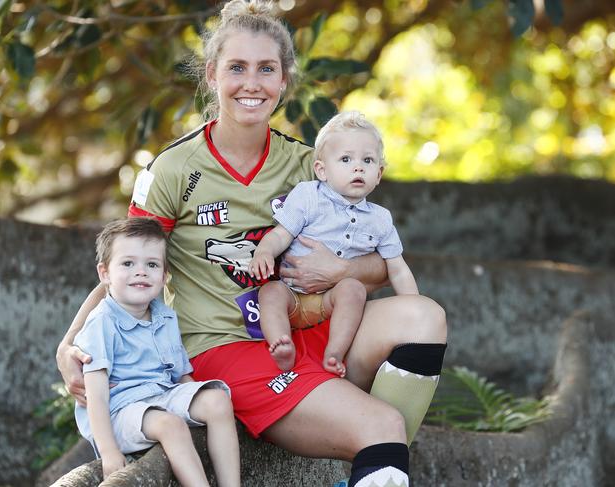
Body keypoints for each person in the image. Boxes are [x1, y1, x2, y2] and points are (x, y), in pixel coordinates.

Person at [56, 2, 447, 486]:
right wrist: (70, 342)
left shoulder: (310, 165)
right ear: (212, 74)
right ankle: (367, 444)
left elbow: (379, 267)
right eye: (237, 68)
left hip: (309, 329)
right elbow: (126, 268)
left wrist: (341, 271)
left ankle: (364, 453)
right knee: (382, 426)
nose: (252, 83)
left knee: (424, 316)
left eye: (267, 69)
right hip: (224, 349)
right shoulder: (173, 171)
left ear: (284, 81)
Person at [249, 111, 419, 378]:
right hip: (292, 296)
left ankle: (334, 353)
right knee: (269, 292)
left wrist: (413, 305)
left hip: (332, 302)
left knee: (352, 289)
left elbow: (397, 268)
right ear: (322, 170)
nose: (358, 167)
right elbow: (281, 234)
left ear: (379, 174)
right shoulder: (308, 196)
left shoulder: (380, 220)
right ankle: (281, 344)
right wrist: (264, 251)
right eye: (346, 159)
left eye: (368, 160)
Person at [73, 218, 240, 487]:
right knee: (170, 425)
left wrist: (195, 402)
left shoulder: (165, 317)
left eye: (151, 265)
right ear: (104, 274)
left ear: (164, 277)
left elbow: (181, 375)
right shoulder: (101, 322)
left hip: (162, 395)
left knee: (217, 400)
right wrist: (109, 451)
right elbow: (96, 396)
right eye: (128, 264)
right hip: (120, 411)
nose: (141, 272)